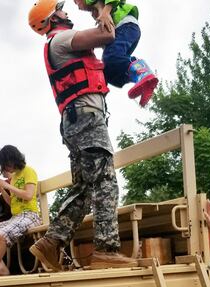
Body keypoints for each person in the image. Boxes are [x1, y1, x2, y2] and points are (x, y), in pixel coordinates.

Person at [28, 0, 135, 271]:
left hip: (75, 120)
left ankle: (51, 243)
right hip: (86, 117)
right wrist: (104, 8)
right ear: (52, 19)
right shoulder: (61, 39)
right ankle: (106, 251)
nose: (66, 11)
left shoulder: (56, 43)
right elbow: (108, 35)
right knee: (106, 181)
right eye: (61, 9)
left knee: (84, 188)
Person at [0, 146, 42, 277]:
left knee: (2, 235)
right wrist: (2, 189)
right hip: (17, 217)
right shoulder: (15, 177)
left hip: (30, 215)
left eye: (5, 164)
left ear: (12, 159)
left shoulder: (29, 171)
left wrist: (7, 185)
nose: (4, 168)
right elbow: (12, 203)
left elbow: (28, 195)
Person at [75, 0, 158, 107]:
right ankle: (143, 81)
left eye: (76, 2)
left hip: (125, 26)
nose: (78, 7)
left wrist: (105, 12)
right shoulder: (95, 10)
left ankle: (142, 71)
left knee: (111, 57)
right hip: (126, 30)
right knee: (109, 70)